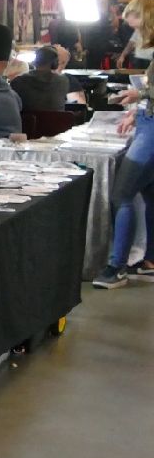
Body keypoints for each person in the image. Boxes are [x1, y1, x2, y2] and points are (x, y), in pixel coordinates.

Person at [92, 57, 154, 288]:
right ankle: (149, 262)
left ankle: (116, 268)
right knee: (149, 192)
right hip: (148, 122)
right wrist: (139, 109)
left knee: (122, 195)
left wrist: (141, 96)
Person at [11, 46, 72, 113]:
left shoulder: (18, 81)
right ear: (55, 63)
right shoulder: (63, 81)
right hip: (56, 122)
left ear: (34, 61)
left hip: (29, 122)